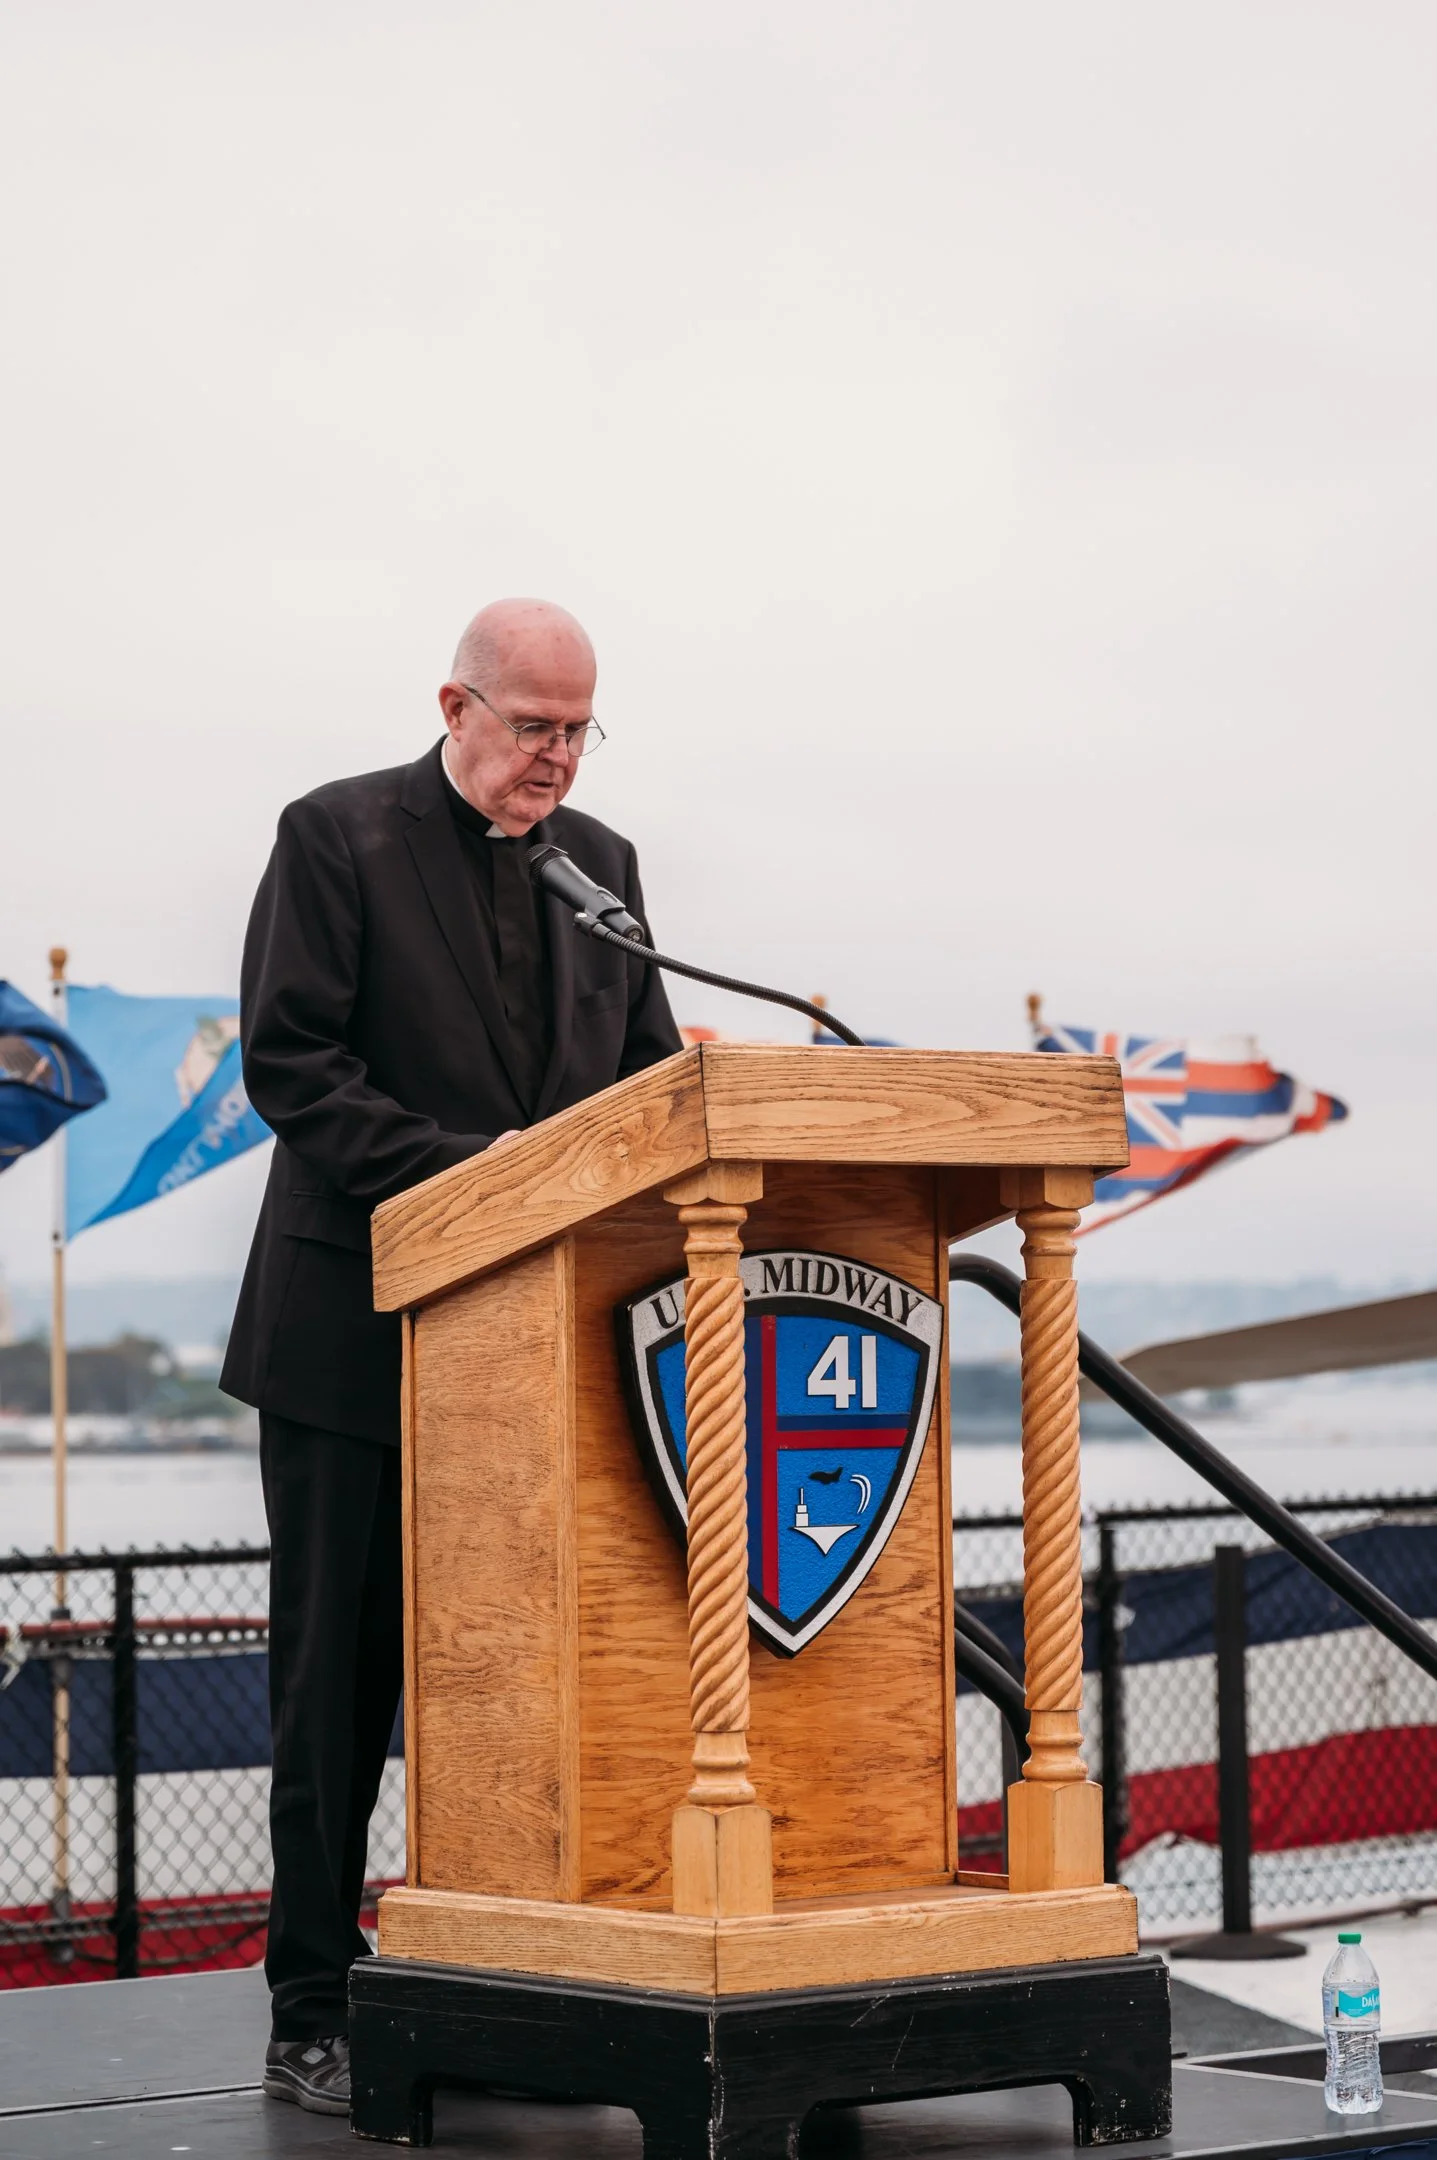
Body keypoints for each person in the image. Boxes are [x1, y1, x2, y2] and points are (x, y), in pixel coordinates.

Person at [220, 599, 682, 2114]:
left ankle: (513, 1976)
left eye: (578, 729)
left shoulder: (601, 870)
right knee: (335, 1695)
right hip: (351, 1347)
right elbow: (292, 1062)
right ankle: (309, 2006)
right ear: (457, 705)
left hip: (540, 1366)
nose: (557, 757)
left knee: (530, 1691)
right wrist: (479, 1184)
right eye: (534, 726)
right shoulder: (337, 837)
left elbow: (649, 1083)